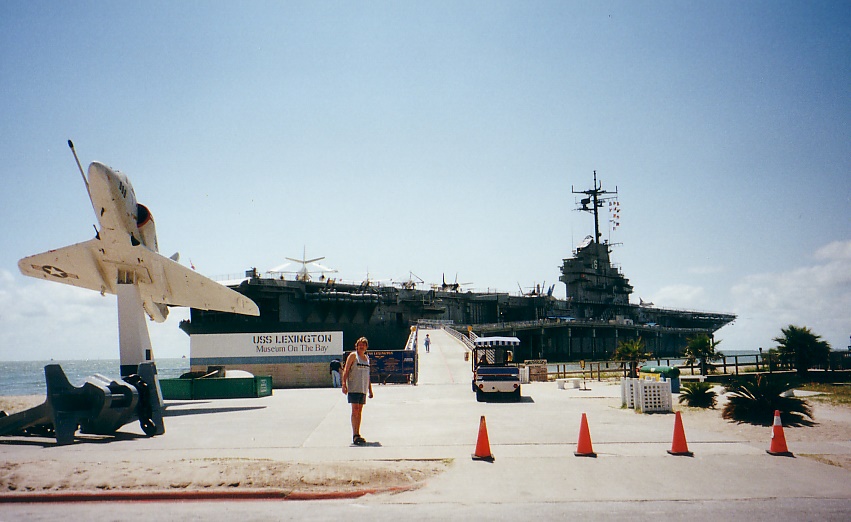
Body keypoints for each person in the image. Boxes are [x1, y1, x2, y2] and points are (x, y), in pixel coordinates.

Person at [341, 336, 373, 445]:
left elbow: (367, 375)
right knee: (355, 410)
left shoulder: (367, 359)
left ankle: (358, 433)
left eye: (363, 345)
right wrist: (344, 384)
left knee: (359, 411)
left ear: (366, 347)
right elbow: (346, 370)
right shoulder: (353, 356)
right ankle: (354, 435)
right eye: (359, 344)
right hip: (354, 387)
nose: (361, 346)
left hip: (362, 389)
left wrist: (370, 390)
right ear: (356, 346)